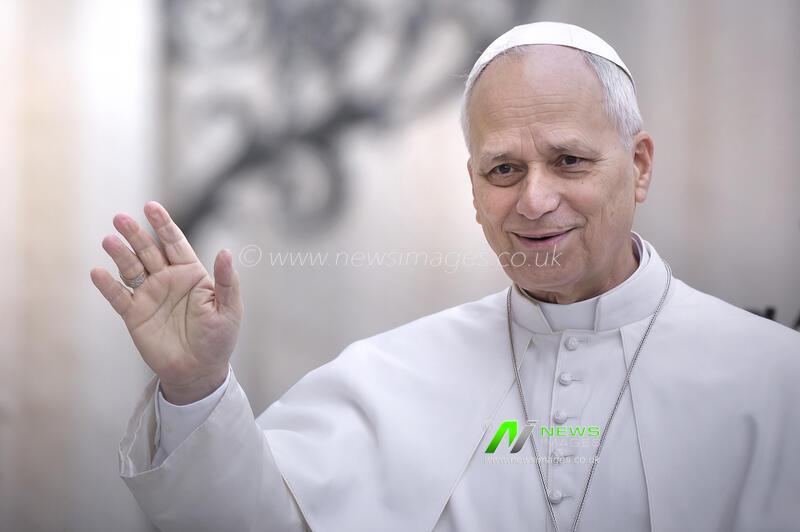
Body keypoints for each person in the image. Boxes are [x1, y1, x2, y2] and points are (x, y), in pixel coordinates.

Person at [90, 22, 800, 532]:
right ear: (473, 187)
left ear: (639, 165)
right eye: (504, 169)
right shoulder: (389, 376)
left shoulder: (773, 378)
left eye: (570, 162)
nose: (534, 200)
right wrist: (196, 387)